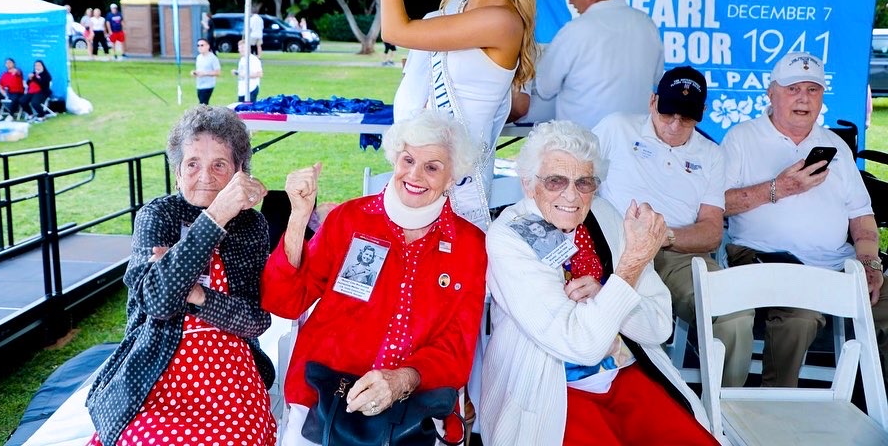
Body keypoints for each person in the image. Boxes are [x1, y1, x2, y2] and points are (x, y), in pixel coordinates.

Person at [480, 120, 717, 444]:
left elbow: (660, 325)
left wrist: (607, 293)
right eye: (555, 181)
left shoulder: (604, 215)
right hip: (552, 389)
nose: (571, 195)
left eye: (584, 182)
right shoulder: (510, 236)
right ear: (528, 184)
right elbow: (581, 345)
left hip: (625, 371)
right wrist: (628, 272)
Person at [262, 110, 487, 446]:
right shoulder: (350, 219)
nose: (415, 174)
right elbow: (284, 301)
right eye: (408, 159)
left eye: (432, 167)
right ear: (395, 159)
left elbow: (457, 347)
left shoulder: (469, 245)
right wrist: (298, 219)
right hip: (326, 400)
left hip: (414, 414)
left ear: (452, 177)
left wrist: (401, 380)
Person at [85, 105, 276, 446]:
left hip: (231, 364)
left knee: (238, 440)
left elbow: (255, 320)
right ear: (176, 172)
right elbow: (157, 302)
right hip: (156, 363)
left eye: (220, 164)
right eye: (193, 164)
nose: (206, 176)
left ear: (238, 172)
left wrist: (194, 294)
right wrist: (216, 215)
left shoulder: (250, 225)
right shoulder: (158, 215)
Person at [383, 0, 537, 232]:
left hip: (458, 187)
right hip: (418, 171)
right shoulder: (453, 8)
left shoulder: (502, 22)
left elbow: (396, 31)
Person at [722, 51, 888, 388]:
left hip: (834, 263)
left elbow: (862, 214)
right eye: (793, 88)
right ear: (771, 93)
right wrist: (779, 187)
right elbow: (716, 205)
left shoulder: (834, 146)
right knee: (801, 315)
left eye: (812, 90)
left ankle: (876, 403)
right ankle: (774, 407)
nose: (803, 98)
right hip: (764, 258)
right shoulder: (742, 138)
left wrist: (869, 261)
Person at [593, 65, 754, 387]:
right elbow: (581, 181)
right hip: (614, 248)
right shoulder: (616, 128)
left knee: (736, 313)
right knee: (614, 311)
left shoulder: (710, 154)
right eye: (668, 114)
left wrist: (659, 236)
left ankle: (724, 409)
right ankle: (624, 396)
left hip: (676, 252)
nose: (675, 125)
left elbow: (711, 231)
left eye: (687, 118)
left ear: (703, 113)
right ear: (652, 102)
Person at [534, 0, 664, 129]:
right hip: (634, 143)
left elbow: (545, 87)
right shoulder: (646, 24)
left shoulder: (575, 30)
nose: (570, 1)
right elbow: (657, 77)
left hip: (584, 144)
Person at [192, 38, 221, 105]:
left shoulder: (213, 58)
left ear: (208, 46)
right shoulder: (199, 57)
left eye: (202, 45)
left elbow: (218, 72)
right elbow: (199, 70)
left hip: (208, 85)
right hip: (199, 84)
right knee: (202, 104)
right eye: (198, 45)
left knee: (203, 104)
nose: (200, 47)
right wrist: (195, 72)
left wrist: (205, 73)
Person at [233, 39, 262, 103]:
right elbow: (242, 72)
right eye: (239, 48)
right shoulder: (242, 59)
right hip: (242, 89)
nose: (241, 50)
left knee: (248, 110)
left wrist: (246, 75)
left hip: (251, 89)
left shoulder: (253, 60)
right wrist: (237, 73)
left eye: (243, 47)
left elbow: (259, 74)